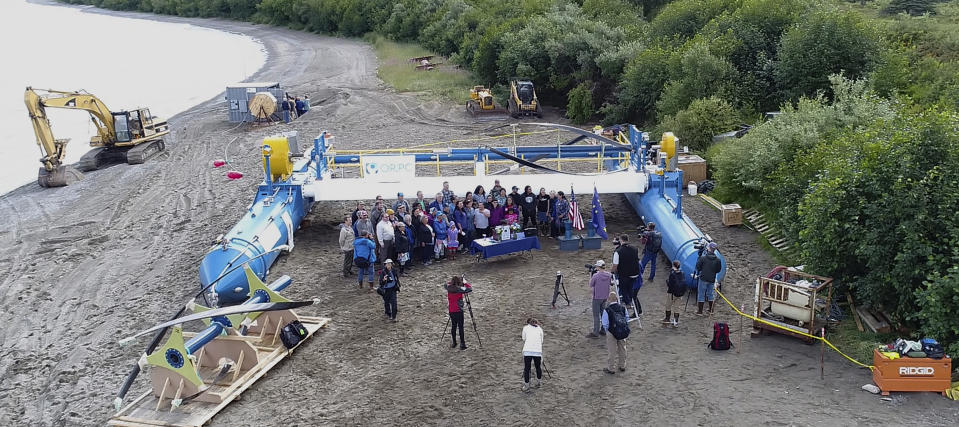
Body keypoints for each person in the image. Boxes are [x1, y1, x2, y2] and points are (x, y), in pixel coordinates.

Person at [602, 292, 628, 374]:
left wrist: (608, 331)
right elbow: (626, 318)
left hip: (611, 331)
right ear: (617, 299)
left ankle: (611, 368)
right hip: (622, 330)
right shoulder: (623, 308)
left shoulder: (607, 310)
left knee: (612, 350)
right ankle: (622, 365)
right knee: (622, 348)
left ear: (609, 300)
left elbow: (605, 323)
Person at [612, 234, 639, 311]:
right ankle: (630, 299)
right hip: (635, 272)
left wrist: (612, 272)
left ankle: (627, 303)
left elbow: (615, 265)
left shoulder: (618, 251)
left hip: (625, 274)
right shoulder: (635, 248)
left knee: (623, 287)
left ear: (621, 240)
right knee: (630, 287)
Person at [695, 242, 723, 315]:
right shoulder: (718, 260)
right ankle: (711, 310)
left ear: (708, 248)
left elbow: (697, 267)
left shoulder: (703, 258)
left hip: (703, 278)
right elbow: (718, 270)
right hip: (712, 279)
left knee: (701, 294)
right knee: (710, 294)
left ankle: (700, 311)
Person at [587, 260, 613, 338]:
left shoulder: (596, 276)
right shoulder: (609, 275)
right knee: (603, 314)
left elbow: (591, 284)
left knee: (596, 316)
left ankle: (595, 333)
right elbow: (610, 283)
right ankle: (603, 329)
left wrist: (591, 274)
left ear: (598, 267)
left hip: (597, 297)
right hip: (605, 297)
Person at [445, 276, 472, 350]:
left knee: (453, 326)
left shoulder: (448, 287)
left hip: (451, 310)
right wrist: (465, 282)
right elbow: (469, 289)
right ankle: (462, 344)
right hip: (459, 311)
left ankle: (454, 342)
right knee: (460, 327)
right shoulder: (459, 289)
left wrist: (454, 282)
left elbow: (447, 284)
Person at [521, 317, 545, 392]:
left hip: (527, 350)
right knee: (538, 367)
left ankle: (527, 386)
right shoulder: (540, 329)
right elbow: (541, 341)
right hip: (537, 351)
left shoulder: (525, 328)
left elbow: (523, 338)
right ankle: (538, 382)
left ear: (528, 323)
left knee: (527, 368)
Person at [664, 260, 686, 326]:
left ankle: (667, 319)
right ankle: (675, 321)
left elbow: (670, 285)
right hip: (680, 294)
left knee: (668, 306)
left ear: (673, 266)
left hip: (672, 293)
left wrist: (667, 282)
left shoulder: (672, 274)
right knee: (677, 308)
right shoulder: (682, 273)